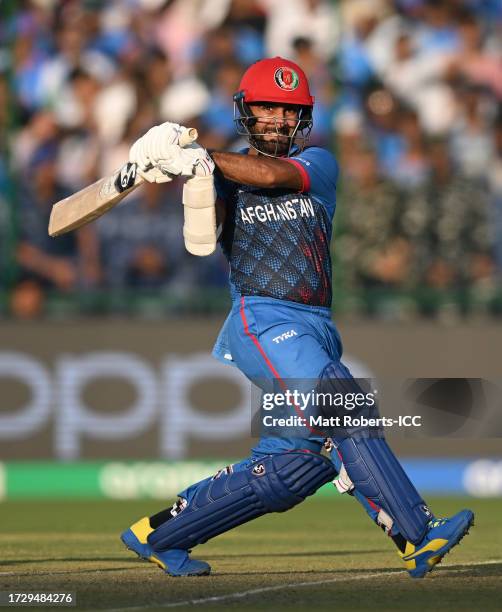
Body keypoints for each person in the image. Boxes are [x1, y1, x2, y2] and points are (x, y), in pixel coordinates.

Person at [120, 57, 474, 578]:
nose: (279, 120)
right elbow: (200, 240)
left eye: (290, 111)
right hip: (260, 319)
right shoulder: (221, 179)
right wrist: (183, 172)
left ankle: (160, 534)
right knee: (342, 401)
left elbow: (269, 173)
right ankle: (415, 535)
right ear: (247, 111)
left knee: (297, 467)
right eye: (268, 107)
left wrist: (199, 156)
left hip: (315, 326)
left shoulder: (319, 164)